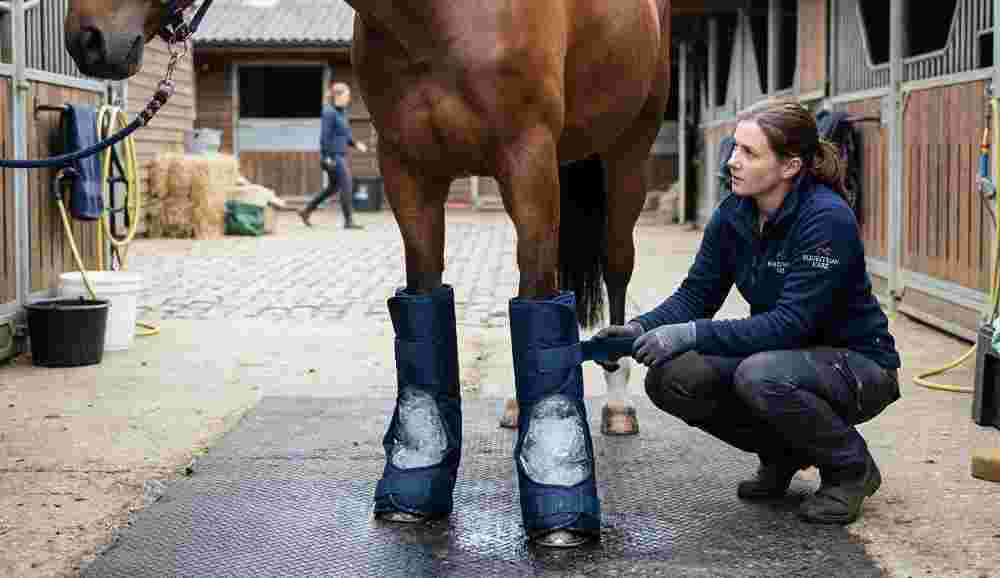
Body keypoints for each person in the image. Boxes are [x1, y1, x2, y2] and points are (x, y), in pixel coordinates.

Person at [597, 98, 901, 525]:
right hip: (784, 360)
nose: (732, 162)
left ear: (790, 166)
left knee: (759, 375)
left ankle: (851, 469)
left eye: (749, 153)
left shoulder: (826, 220)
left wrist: (690, 335)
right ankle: (784, 453)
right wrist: (636, 329)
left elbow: (790, 325)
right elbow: (696, 295)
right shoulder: (735, 214)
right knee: (671, 378)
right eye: (734, 148)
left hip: (857, 367)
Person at [299, 81, 368, 229]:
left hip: (340, 155)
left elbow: (345, 135)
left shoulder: (342, 112)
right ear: (338, 96)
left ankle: (306, 211)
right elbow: (324, 137)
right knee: (346, 184)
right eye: (347, 96)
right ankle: (349, 221)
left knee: (333, 187)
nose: (348, 99)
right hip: (333, 156)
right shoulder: (328, 112)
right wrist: (326, 156)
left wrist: (356, 144)